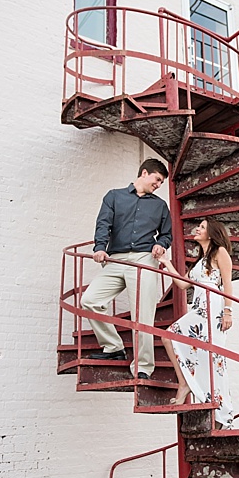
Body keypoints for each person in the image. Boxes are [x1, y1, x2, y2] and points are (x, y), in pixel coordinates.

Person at [81, 158, 173, 380]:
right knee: (89, 300)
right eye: (157, 179)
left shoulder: (160, 206)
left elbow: (167, 234)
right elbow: (104, 224)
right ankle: (113, 346)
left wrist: (161, 244)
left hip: (144, 258)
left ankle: (143, 367)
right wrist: (100, 248)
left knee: (143, 313)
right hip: (116, 259)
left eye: (161, 182)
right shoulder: (114, 196)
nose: (158, 185)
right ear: (144, 173)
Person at [158, 218, 235, 427]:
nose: (197, 229)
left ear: (211, 233)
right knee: (168, 336)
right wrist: (166, 263)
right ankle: (184, 383)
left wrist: (228, 311)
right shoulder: (200, 261)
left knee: (214, 358)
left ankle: (222, 414)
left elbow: (228, 283)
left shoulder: (220, 252)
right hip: (199, 307)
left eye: (202, 227)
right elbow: (183, 284)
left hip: (214, 307)